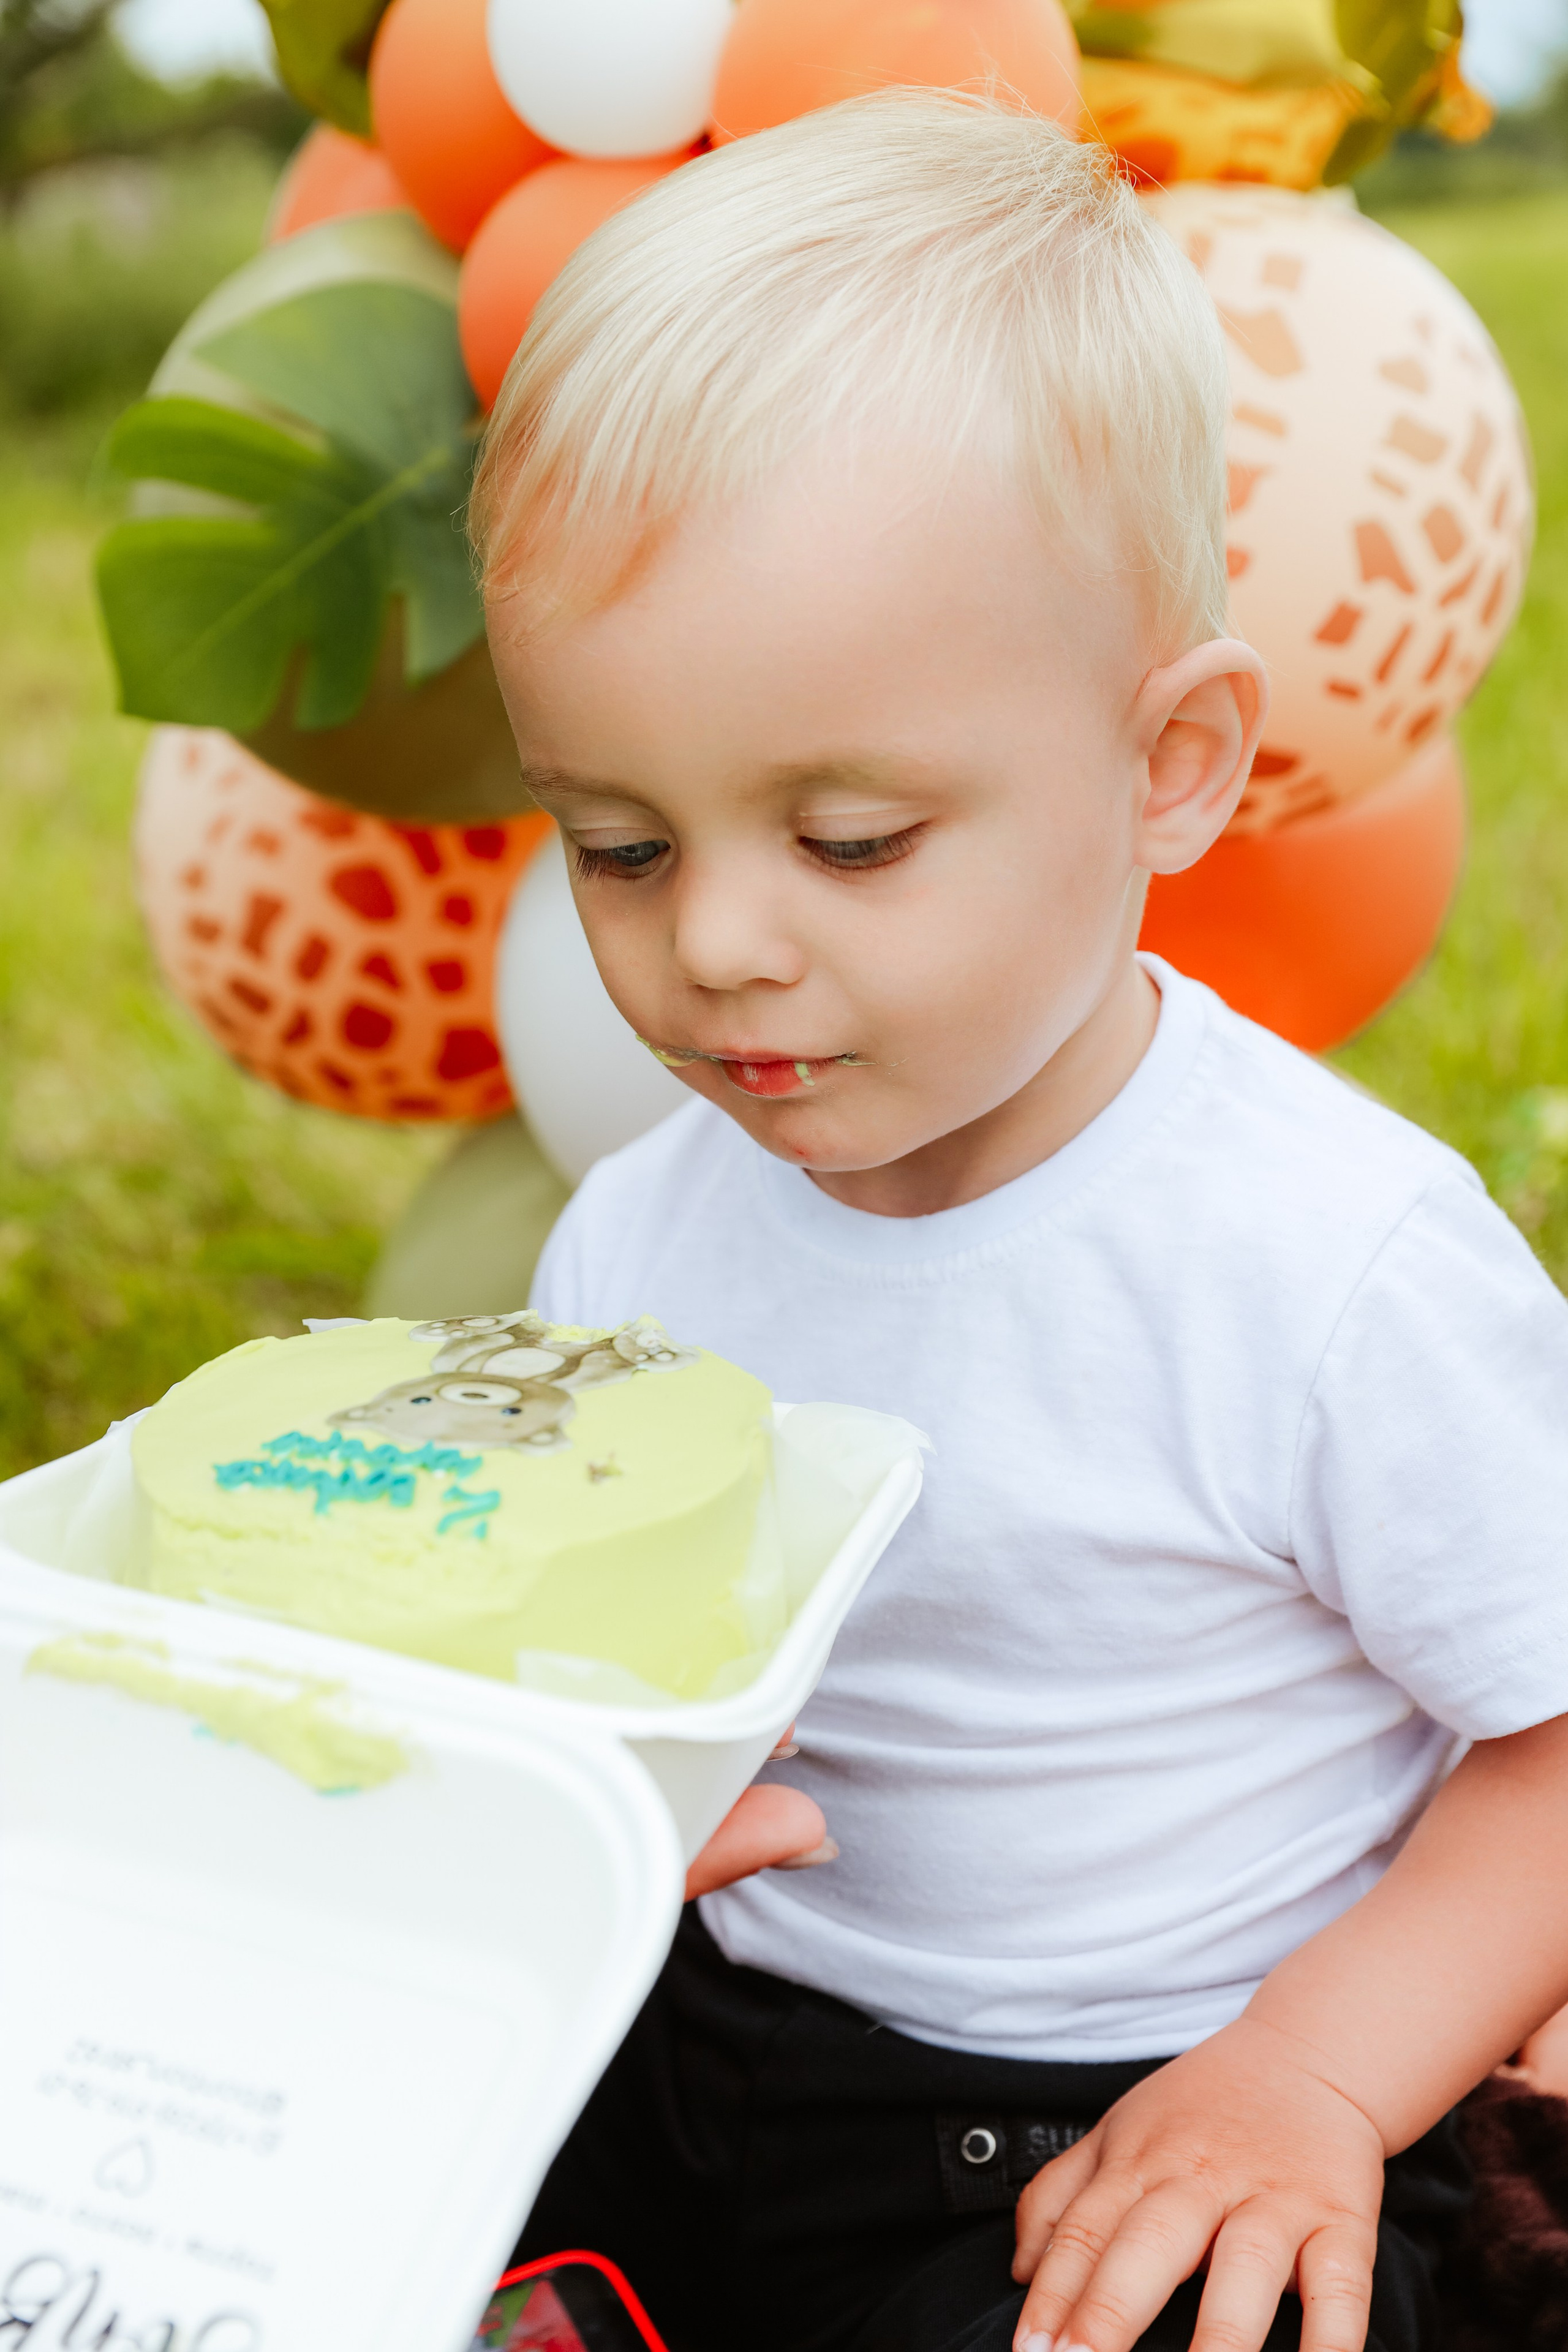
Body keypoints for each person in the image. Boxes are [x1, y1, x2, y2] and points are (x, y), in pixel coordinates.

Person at [469, 92, 1568, 2352]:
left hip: (1165, 2090)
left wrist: (1317, 2076)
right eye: (622, 845)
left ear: (1171, 766)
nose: (717, 947)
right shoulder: (638, 1238)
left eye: (851, 840)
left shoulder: (1324, 1262)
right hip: (717, 2044)